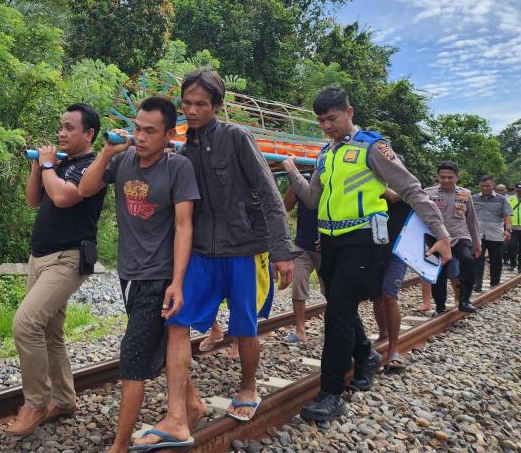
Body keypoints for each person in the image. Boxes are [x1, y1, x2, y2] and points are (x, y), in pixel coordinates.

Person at [135, 69, 295, 449]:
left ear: (217, 105)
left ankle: (248, 385)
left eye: (201, 104)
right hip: (201, 253)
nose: (192, 110)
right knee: (177, 321)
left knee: (244, 326)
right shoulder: (180, 146)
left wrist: (282, 251)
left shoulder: (237, 138)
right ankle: (179, 413)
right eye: (187, 103)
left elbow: (271, 195)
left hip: (243, 249)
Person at [283, 87, 451, 422]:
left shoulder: (373, 147)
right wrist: (290, 170)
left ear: (349, 112)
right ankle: (366, 355)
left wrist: (442, 234)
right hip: (329, 242)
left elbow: (411, 189)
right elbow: (313, 200)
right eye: (321, 121)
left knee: (337, 315)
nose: (326, 126)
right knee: (340, 308)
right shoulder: (324, 155)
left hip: (363, 241)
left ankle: (331, 393)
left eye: (331, 118)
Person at [78, 97, 200, 453]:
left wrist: (177, 282)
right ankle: (193, 405)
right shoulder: (124, 160)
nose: (141, 137)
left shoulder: (178, 168)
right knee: (154, 348)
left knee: (132, 360)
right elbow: (85, 189)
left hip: (158, 277)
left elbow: (183, 225)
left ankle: (119, 446)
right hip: (128, 273)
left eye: (150, 131)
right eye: (138, 129)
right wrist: (105, 154)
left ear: (168, 134)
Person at [3, 104, 107, 436]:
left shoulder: (93, 166)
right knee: (49, 332)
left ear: (89, 134)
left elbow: (64, 198)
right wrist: (40, 167)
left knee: (26, 323)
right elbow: (34, 200)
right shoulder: (60, 163)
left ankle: (35, 403)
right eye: (60, 127)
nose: (61, 133)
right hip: (40, 257)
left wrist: (48, 165)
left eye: (69, 128)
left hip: (69, 258)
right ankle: (62, 399)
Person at [424, 161, 482, 314]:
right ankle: (440, 306)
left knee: (467, 260)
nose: (446, 180)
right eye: (443, 177)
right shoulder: (428, 194)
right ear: (438, 177)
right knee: (439, 273)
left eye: (450, 177)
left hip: (459, 236)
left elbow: (471, 220)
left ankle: (464, 300)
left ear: (457, 177)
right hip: (436, 239)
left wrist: (477, 243)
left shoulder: (465, 194)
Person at [371, 188, 410, 371]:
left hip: (398, 252)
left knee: (389, 295)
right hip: (374, 250)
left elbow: (397, 195)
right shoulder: (371, 188)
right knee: (376, 297)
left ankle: (394, 348)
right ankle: (382, 335)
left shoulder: (407, 191)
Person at [282, 175, 323, 345]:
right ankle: (300, 331)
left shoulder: (332, 182)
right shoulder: (302, 182)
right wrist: (294, 184)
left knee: (332, 291)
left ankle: (336, 327)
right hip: (303, 246)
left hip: (325, 246)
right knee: (298, 284)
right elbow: (286, 207)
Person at [472, 175, 512, 291]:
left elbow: (507, 216)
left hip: (496, 235)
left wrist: (508, 230)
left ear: (493, 186)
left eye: (488, 186)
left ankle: (494, 283)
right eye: (483, 186)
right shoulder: (473, 198)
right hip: (478, 234)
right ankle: (477, 284)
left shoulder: (502, 199)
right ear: (479, 185)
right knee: (477, 260)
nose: (485, 188)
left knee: (496, 261)